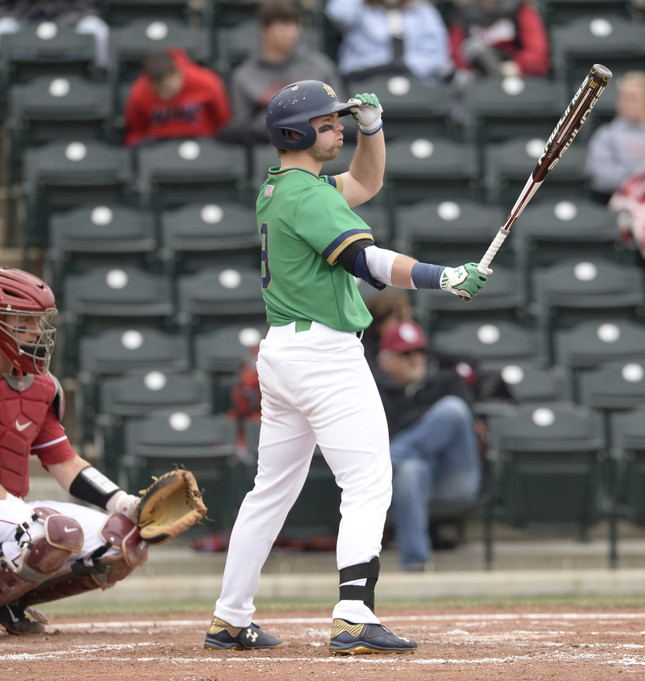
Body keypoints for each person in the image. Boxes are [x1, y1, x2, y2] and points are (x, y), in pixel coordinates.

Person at [205, 80, 487, 655]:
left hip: (285, 354)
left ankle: (231, 616)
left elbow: (366, 182)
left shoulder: (285, 187)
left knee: (270, 492)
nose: (338, 127)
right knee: (368, 481)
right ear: (297, 133)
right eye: (328, 122)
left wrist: (372, 130)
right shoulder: (307, 196)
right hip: (324, 356)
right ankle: (354, 615)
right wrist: (444, 277)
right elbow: (369, 262)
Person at [0, 266, 150, 641]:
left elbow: (65, 462)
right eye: (25, 321)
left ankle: (9, 601)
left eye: (38, 321)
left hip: (5, 514)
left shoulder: (41, 385)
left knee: (121, 541)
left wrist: (126, 505)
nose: (37, 332)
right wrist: (24, 515)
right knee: (45, 530)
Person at [375, 320, 481, 572]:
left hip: (453, 476)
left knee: (452, 410)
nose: (415, 359)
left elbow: (465, 421)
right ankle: (416, 564)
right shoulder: (378, 392)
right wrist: (424, 426)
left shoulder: (447, 381)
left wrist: (414, 429)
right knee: (410, 469)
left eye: (419, 351)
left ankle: (385, 462)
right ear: (387, 360)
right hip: (410, 480)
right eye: (405, 354)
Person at [222, 1, 345, 146]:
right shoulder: (244, 76)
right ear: (264, 30)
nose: (291, 33)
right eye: (283, 27)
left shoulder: (319, 67)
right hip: (268, 147)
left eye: (294, 25)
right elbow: (242, 127)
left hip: (317, 144)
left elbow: (340, 113)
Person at [123, 48, 232, 147]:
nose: (165, 93)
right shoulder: (138, 92)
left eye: (169, 87)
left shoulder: (207, 82)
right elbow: (136, 131)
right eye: (159, 89)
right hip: (158, 143)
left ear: (178, 74)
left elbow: (222, 121)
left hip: (201, 139)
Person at [325, 0, 451, 85]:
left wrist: (406, 67)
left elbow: (438, 57)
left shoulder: (423, 11)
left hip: (415, 84)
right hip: (364, 83)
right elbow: (338, 13)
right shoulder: (361, 10)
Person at [447, 0, 550, 87]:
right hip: (475, 82)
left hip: (513, 80)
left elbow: (537, 53)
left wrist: (517, 66)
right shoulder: (464, 12)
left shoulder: (520, 9)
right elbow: (454, 54)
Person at [0, 0, 109, 67]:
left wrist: (63, 22)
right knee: (1, 32)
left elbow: (85, 4)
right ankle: (11, 88)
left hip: (69, 17)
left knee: (98, 31)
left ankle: (94, 91)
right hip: (19, 17)